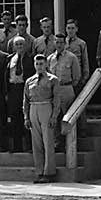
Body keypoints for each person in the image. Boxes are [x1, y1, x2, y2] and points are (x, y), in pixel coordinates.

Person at [23, 53, 60, 183]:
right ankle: (39, 171)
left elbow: (56, 99)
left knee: (48, 141)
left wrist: (54, 116)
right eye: (37, 64)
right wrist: (26, 117)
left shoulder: (53, 79)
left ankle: (49, 172)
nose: (39, 66)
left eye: (41, 64)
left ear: (46, 64)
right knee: (36, 143)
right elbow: (25, 100)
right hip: (34, 108)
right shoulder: (29, 81)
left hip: (46, 107)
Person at [6, 33, 33, 153]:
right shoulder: (9, 59)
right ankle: (17, 147)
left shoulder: (31, 58)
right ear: (14, 46)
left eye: (21, 44)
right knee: (15, 118)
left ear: (25, 45)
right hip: (13, 89)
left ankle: (29, 146)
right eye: (17, 44)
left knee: (27, 117)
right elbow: (6, 76)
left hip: (25, 88)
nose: (19, 46)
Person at [50, 41, 83, 134]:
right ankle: (57, 139)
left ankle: (71, 138)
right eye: (57, 42)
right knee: (55, 115)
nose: (59, 45)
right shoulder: (50, 58)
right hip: (55, 90)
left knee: (68, 115)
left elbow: (76, 75)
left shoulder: (72, 57)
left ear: (64, 44)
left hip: (67, 88)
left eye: (61, 42)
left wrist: (70, 84)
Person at [62, 18, 91, 85]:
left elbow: (85, 61)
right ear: (66, 29)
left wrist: (85, 77)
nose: (70, 30)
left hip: (77, 75)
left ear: (76, 29)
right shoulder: (62, 43)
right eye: (68, 28)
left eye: (72, 28)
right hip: (65, 75)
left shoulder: (81, 43)